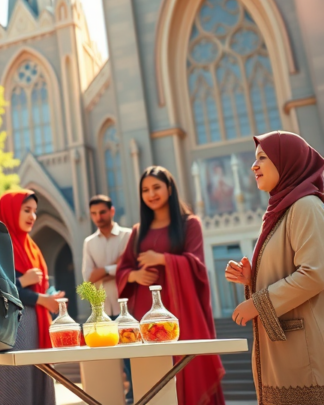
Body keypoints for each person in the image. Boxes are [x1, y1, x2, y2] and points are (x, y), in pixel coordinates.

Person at [225, 131, 324, 404]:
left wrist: (256, 303)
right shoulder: (281, 210)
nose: (254, 166)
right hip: (282, 343)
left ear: (287, 161)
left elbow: (314, 274)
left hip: (304, 350)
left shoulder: (305, 206)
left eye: (263, 158)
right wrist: (252, 278)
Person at [116, 166, 225, 405]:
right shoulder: (138, 231)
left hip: (181, 311)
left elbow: (197, 265)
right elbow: (123, 269)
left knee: (186, 367)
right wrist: (133, 277)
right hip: (146, 313)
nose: (151, 194)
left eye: (156, 187)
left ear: (169, 189)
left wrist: (162, 259)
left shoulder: (190, 224)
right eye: (145, 190)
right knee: (153, 377)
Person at [0, 190, 64, 405]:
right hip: (10, 329)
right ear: (10, 211)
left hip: (34, 327)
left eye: (35, 211)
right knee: (12, 383)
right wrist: (25, 283)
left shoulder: (31, 247)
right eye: (26, 210)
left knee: (34, 380)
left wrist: (49, 298)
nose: (32, 216)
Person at [81, 194, 133, 402]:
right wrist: (115, 266)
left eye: (102, 212)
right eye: (93, 213)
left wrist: (102, 270)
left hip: (129, 308)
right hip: (102, 313)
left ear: (112, 211)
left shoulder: (128, 236)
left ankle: (135, 397)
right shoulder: (89, 242)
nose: (98, 217)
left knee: (131, 360)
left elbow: (131, 267)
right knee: (108, 361)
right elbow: (88, 278)